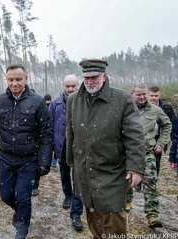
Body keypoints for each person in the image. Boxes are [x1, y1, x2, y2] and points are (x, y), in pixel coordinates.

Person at [66, 59, 146, 238]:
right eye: (86, 78)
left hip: (113, 170)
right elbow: (70, 131)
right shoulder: (74, 100)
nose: (90, 82)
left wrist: (135, 168)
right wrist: (70, 158)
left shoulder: (122, 99)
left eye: (94, 77)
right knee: (92, 213)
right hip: (85, 168)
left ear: (105, 76)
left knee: (113, 218)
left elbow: (134, 137)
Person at [0, 64, 53, 239]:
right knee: (6, 195)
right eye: (11, 79)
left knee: (23, 197)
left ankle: (22, 228)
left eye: (18, 79)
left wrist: (45, 161)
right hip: (6, 158)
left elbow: (46, 133)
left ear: (26, 79)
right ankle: (21, 211)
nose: (14, 83)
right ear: (6, 80)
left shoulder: (37, 102)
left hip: (28, 160)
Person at [126, 82, 172, 228]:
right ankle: (126, 201)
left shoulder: (155, 110)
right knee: (125, 181)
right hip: (127, 153)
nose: (142, 97)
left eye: (144, 94)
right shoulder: (125, 109)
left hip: (148, 152)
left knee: (150, 183)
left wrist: (161, 142)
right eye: (138, 94)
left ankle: (152, 216)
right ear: (132, 93)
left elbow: (167, 124)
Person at [49, 75, 84, 231]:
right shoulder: (55, 104)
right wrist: (50, 148)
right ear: (63, 86)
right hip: (61, 147)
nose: (70, 89)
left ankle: (76, 213)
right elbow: (48, 126)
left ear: (78, 85)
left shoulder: (84, 102)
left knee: (78, 179)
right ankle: (68, 196)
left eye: (73, 86)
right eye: (67, 86)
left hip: (80, 150)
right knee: (64, 174)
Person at [147, 86, 175, 177]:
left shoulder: (167, 107)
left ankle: (154, 180)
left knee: (156, 161)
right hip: (145, 137)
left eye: (156, 96)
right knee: (142, 160)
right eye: (152, 95)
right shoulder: (141, 106)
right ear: (147, 95)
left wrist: (172, 140)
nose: (154, 98)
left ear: (159, 95)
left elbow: (172, 123)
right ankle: (139, 182)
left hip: (159, 137)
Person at [32, 93, 53, 196]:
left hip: (38, 143)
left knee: (36, 168)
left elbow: (47, 129)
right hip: (29, 143)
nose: (48, 102)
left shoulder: (44, 106)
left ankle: (35, 186)